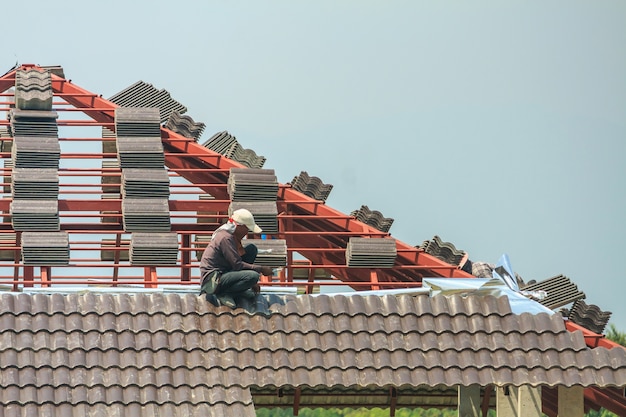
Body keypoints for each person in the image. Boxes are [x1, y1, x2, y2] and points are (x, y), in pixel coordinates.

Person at [199, 208, 273, 308]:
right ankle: (226, 293)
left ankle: (238, 289)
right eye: (246, 228)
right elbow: (237, 264)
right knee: (253, 276)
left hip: (224, 273)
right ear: (239, 226)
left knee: (252, 249)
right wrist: (261, 269)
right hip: (213, 280)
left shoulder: (233, 237)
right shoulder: (225, 238)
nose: (247, 232)